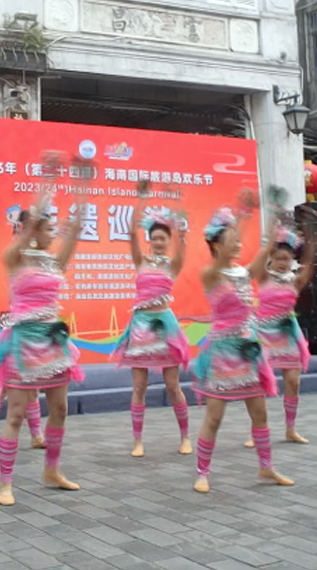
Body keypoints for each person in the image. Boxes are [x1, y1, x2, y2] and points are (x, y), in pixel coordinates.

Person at [0, 157, 88, 506]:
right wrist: (45, 187)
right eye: (49, 226)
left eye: (54, 226)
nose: (54, 231)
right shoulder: (15, 257)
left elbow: (74, 232)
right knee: (15, 414)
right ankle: (5, 483)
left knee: (60, 410)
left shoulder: (54, 261)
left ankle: (52, 470)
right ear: (34, 229)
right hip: (23, 343)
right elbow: (26, 232)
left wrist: (81, 190)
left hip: (53, 342)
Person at [192, 191, 293, 494]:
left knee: (259, 413)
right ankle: (202, 472)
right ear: (215, 245)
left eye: (238, 240)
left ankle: (266, 466)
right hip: (223, 353)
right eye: (231, 240)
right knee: (215, 416)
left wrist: (272, 220)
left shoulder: (242, 272)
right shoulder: (210, 274)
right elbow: (220, 264)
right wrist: (241, 218)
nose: (238, 244)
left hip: (248, 350)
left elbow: (265, 251)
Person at [113, 183, 191, 458]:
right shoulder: (141, 261)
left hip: (165, 327)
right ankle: (137, 441)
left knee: (173, 385)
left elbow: (183, 240)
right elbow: (130, 234)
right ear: (149, 240)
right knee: (139, 387)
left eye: (162, 239)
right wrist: (141, 199)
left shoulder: (173, 264)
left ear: (168, 241)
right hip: (141, 328)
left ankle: (185, 437)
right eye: (154, 238)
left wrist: (178, 208)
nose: (158, 242)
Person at [247, 193, 317, 446]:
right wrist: (274, 220)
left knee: (293, 382)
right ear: (271, 259)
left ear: (291, 261)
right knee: (259, 383)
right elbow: (265, 249)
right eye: (278, 259)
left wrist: (311, 234)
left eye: (286, 259)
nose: (281, 263)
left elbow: (310, 261)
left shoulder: (295, 281)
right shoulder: (263, 277)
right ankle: (257, 431)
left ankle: (290, 428)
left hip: (287, 333)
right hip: (263, 333)